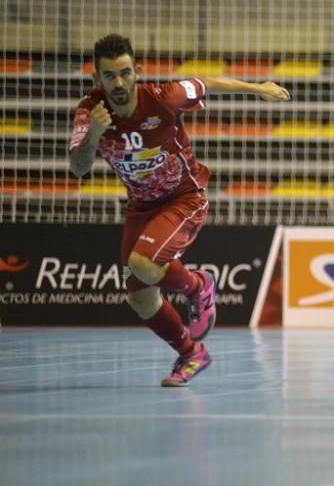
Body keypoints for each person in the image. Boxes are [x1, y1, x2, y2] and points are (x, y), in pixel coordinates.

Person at [68, 34, 290, 387]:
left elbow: (208, 82)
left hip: (184, 198)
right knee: (140, 298)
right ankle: (191, 353)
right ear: (97, 79)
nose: (119, 82)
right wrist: (94, 133)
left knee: (143, 263)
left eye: (125, 72)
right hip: (141, 207)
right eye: (110, 76)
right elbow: (78, 167)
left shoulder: (162, 98)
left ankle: (199, 286)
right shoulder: (89, 111)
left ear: (136, 71)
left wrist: (257, 87)